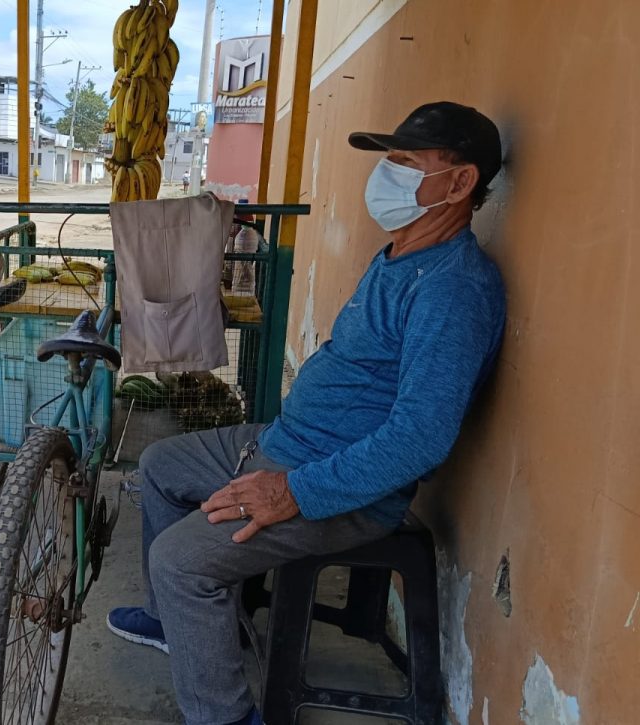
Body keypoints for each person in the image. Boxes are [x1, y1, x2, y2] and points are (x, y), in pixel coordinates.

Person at [106, 102, 506, 725]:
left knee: (181, 561)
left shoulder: (453, 288)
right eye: (388, 160)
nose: (387, 175)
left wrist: (294, 490)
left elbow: (423, 436)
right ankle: (174, 624)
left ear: (460, 184)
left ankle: (227, 716)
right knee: (160, 464)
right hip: (288, 441)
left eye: (405, 163)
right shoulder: (401, 255)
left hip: (335, 485)